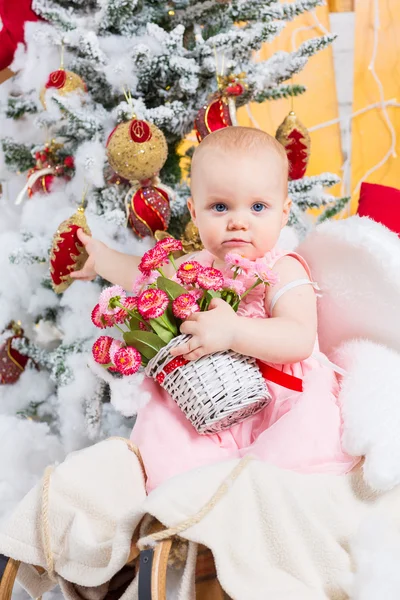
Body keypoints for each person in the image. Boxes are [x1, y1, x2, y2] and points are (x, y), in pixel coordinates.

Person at [72, 126, 360, 491]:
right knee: (166, 440)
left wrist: (234, 332)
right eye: (220, 207)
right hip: (204, 403)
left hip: (279, 402)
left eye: (258, 207)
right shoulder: (194, 265)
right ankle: (181, 505)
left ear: (284, 213)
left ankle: (264, 504)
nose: (238, 221)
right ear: (194, 212)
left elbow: (299, 337)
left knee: (294, 454)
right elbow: (143, 277)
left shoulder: (282, 267)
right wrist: (100, 259)